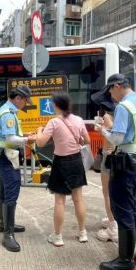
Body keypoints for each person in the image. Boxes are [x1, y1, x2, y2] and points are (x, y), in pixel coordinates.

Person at [94, 74, 136, 270]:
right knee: (134, 207)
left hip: (125, 163)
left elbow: (118, 139)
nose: (112, 95)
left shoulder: (123, 107)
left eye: (111, 90)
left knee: (123, 209)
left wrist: (103, 130)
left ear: (118, 86)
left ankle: (125, 261)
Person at [36, 91, 91, 247]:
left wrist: (40, 130)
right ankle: (82, 233)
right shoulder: (79, 120)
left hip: (61, 163)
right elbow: (86, 140)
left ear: (56, 105)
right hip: (76, 161)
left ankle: (58, 237)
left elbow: (40, 143)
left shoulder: (53, 122)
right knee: (78, 198)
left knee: (60, 201)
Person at [0, 84, 36, 252]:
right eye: (25, 101)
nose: (25, 104)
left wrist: (24, 136)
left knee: (4, 190)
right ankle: (8, 235)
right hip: (8, 156)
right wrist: (27, 140)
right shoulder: (9, 114)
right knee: (11, 191)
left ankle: (4, 224)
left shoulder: (6, 109)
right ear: (18, 98)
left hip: (4, 155)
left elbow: (9, 135)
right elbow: (10, 138)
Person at [91, 92, 118, 243]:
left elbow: (111, 132)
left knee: (107, 192)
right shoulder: (120, 113)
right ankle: (112, 219)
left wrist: (102, 128)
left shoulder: (107, 116)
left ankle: (113, 227)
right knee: (113, 191)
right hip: (118, 156)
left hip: (109, 155)